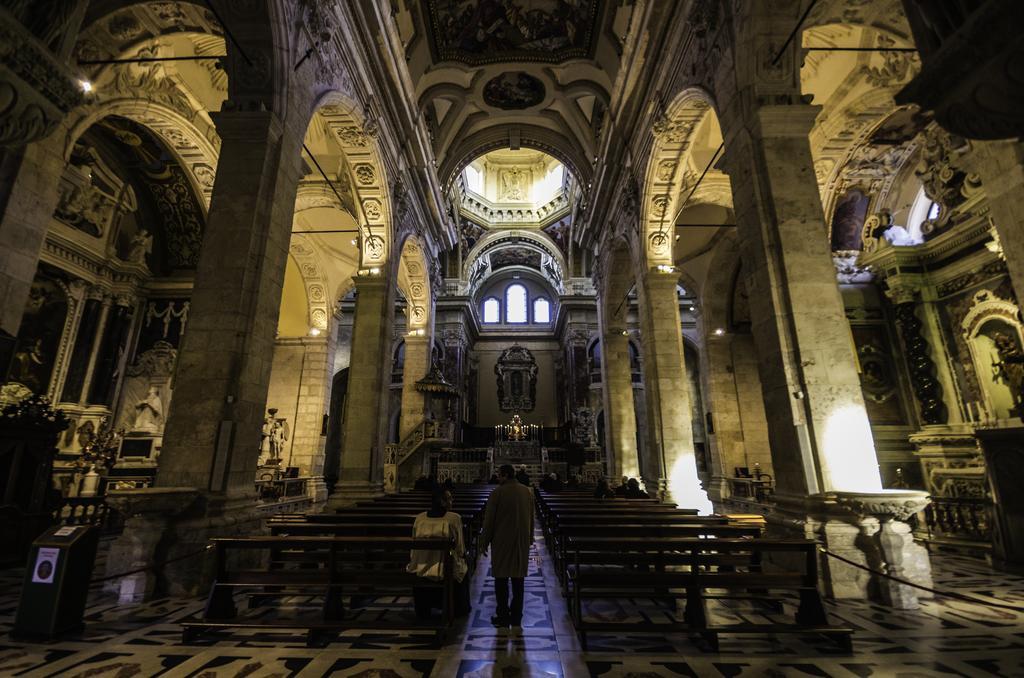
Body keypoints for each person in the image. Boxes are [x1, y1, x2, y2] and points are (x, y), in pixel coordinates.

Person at [480, 464, 534, 628]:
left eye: (499, 475)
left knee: (501, 579)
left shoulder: (497, 493)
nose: (497, 478)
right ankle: (517, 615)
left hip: (502, 540)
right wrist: (530, 537)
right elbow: (532, 517)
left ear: (504, 475)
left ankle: (503, 614)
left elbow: (489, 521)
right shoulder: (526, 491)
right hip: (520, 540)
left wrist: (484, 542)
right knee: (518, 579)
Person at [407, 489, 470, 618]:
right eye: (450, 498)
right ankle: (459, 607)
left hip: (422, 566)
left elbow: (414, 541)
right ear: (442, 502)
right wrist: (463, 555)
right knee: (463, 568)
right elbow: (460, 547)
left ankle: (424, 608)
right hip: (446, 569)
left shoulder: (420, 518)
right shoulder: (454, 518)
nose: (452, 501)